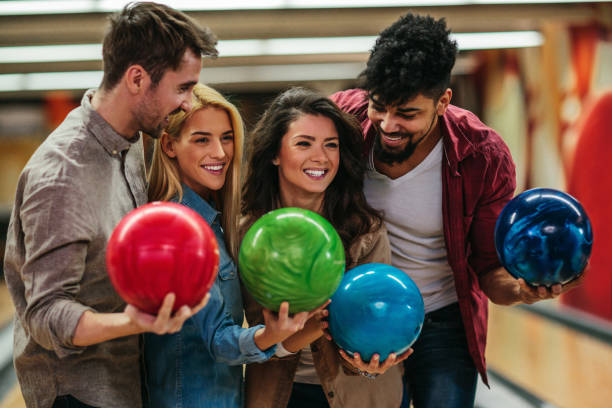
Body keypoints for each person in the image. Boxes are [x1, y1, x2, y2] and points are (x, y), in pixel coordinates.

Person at [330, 13, 582, 408]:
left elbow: (489, 269)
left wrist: (523, 290)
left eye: (408, 114)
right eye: (380, 106)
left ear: (444, 101)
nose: (388, 124)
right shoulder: (343, 121)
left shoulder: (483, 155)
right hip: (364, 313)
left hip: (443, 324)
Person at [3, 3, 219, 407]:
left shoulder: (130, 141)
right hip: (78, 396)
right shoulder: (62, 174)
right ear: (137, 78)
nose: (189, 104)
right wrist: (132, 321)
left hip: (124, 386)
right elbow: (46, 313)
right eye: (183, 88)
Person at [144, 83, 323, 408]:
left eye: (227, 138)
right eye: (202, 139)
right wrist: (271, 334)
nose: (221, 152)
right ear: (169, 145)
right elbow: (217, 341)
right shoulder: (179, 229)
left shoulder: (209, 223)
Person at [241, 87, 406, 408]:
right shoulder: (249, 234)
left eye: (331, 145)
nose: (321, 157)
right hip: (279, 395)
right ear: (274, 153)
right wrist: (316, 324)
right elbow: (255, 340)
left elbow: (372, 329)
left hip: (357, 394)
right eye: (304, 143)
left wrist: (371, 362)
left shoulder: (364, 230)